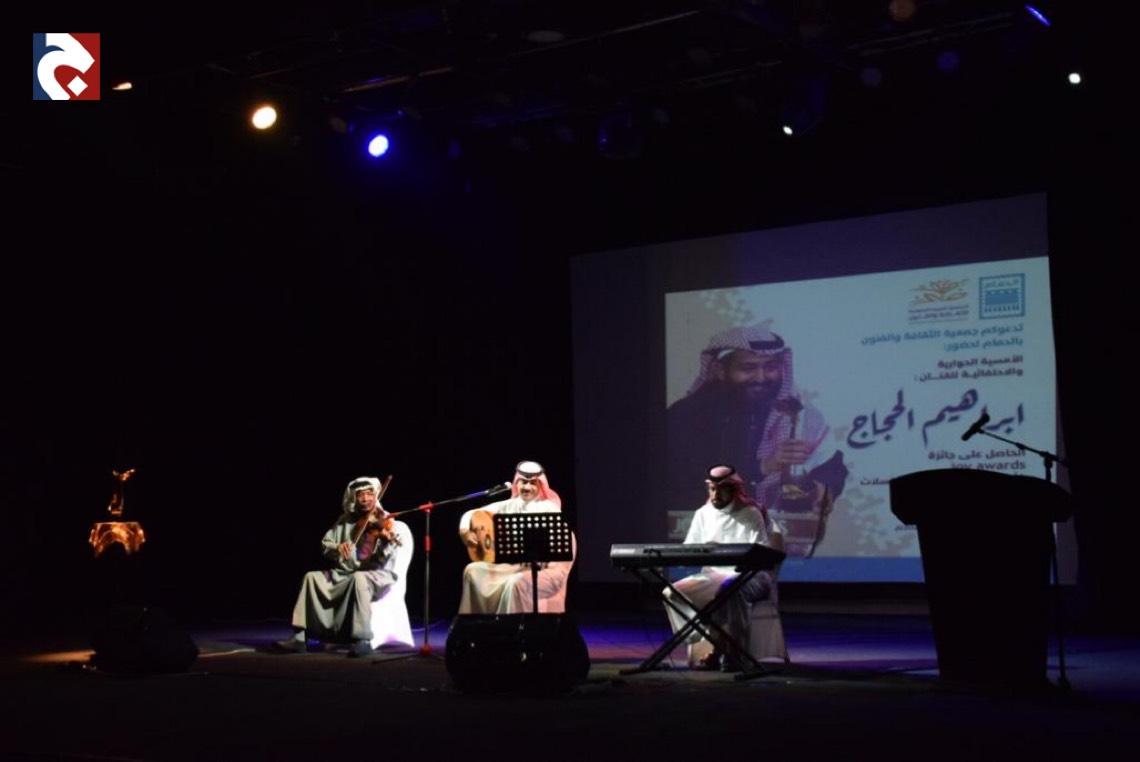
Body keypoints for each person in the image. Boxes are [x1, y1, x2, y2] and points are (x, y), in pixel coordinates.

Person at [665, 323, 848, 557]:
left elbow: (833, 465)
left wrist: (824, 487)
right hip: (710, 547)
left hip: (778, 547)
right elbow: (682, 480)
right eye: (748, 368)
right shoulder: (688, 415)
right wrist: (763, 467)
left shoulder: (797, 413)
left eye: (770, 367)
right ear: (720, 370)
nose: (761, 378)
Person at [663, 464, 784, 672]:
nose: (715, 494)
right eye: (712, 489)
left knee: (729, 589)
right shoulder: (703, 514)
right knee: (671, 593)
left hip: (751, 576)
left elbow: (761, 554)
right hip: (713, 575)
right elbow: (688, 549)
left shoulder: (751, 512)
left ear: (734, 489)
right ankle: (700, 634)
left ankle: (733, 653)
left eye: (721, 489)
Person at [276, 476, 405, 657]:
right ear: (354, 497)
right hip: (344, 573)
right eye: (360, 494)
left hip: (374, 574)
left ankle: (362, 640)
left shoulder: (385, 520)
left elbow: (387, 559)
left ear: (376, 495)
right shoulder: (345, 520)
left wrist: (385, 541)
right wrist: (337, 547)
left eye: (370, 494)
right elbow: (325, 544)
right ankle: (300, 637)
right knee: (311, 578)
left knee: (359, 578)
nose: (365, 498)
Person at [456, 460, 574, 615]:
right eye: (523, 482)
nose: (527, 487)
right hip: (511, 566)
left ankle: (510, 627)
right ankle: (476, 624)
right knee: (472, 571)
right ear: (516, 483)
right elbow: (471, 514)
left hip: (539, 568)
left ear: (540, 485)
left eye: (533, 483)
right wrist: (465, 531)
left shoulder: (549, 508)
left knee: (515, 583)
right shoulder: (509, 505)